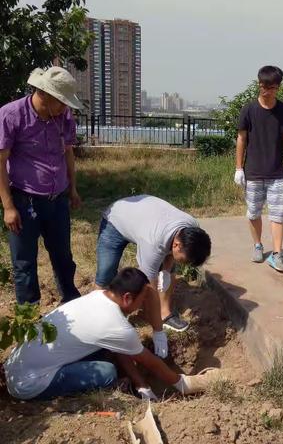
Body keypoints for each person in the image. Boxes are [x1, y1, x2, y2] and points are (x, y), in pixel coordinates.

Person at [4, 267, 220, 400]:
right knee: (107, 372)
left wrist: (141, 384)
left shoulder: (99, 297)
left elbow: (119, 345)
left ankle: (137, 385)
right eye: (142, 300)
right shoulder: (116, 325)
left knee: (108, 353)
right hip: (30, 384)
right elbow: (151, 363)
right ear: (127, 298)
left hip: (17, 366)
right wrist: (184, 384)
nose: (144, 306)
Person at [0, 67, 83, 305]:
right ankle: (29, 316)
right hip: (24, 201)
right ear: (44, 94)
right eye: (62, 102)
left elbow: (68, 153)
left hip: (57, 201)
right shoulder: (11, 115)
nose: (65, 108)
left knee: (63, 256)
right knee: (24, 262)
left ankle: (70, 300)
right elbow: (0, 162)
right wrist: (8, 207)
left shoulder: (63, 117)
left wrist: (72, 188)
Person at [95, 195, 211, 357]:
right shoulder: (153, 243)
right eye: (185, 260)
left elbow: (170, 249)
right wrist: (158, 332)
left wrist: (165, 270)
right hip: (116, 221)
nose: (185, 265)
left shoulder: (191, 227)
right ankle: (100, 318)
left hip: (145, 219)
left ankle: (165, 313)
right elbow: (149, 289)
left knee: (169, 270)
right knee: (105, 274)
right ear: (177, 245)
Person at [234, 65, 283, 273]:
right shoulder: (249, 110)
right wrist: (238, 168)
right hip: (253, 172)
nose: (265, 90)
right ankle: (258, 245)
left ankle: (277, 254)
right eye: (262, 86)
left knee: (277, 214)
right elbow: (241, 139)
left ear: (278, 87)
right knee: (253, 212)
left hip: (277, 172)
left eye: (269, 87)